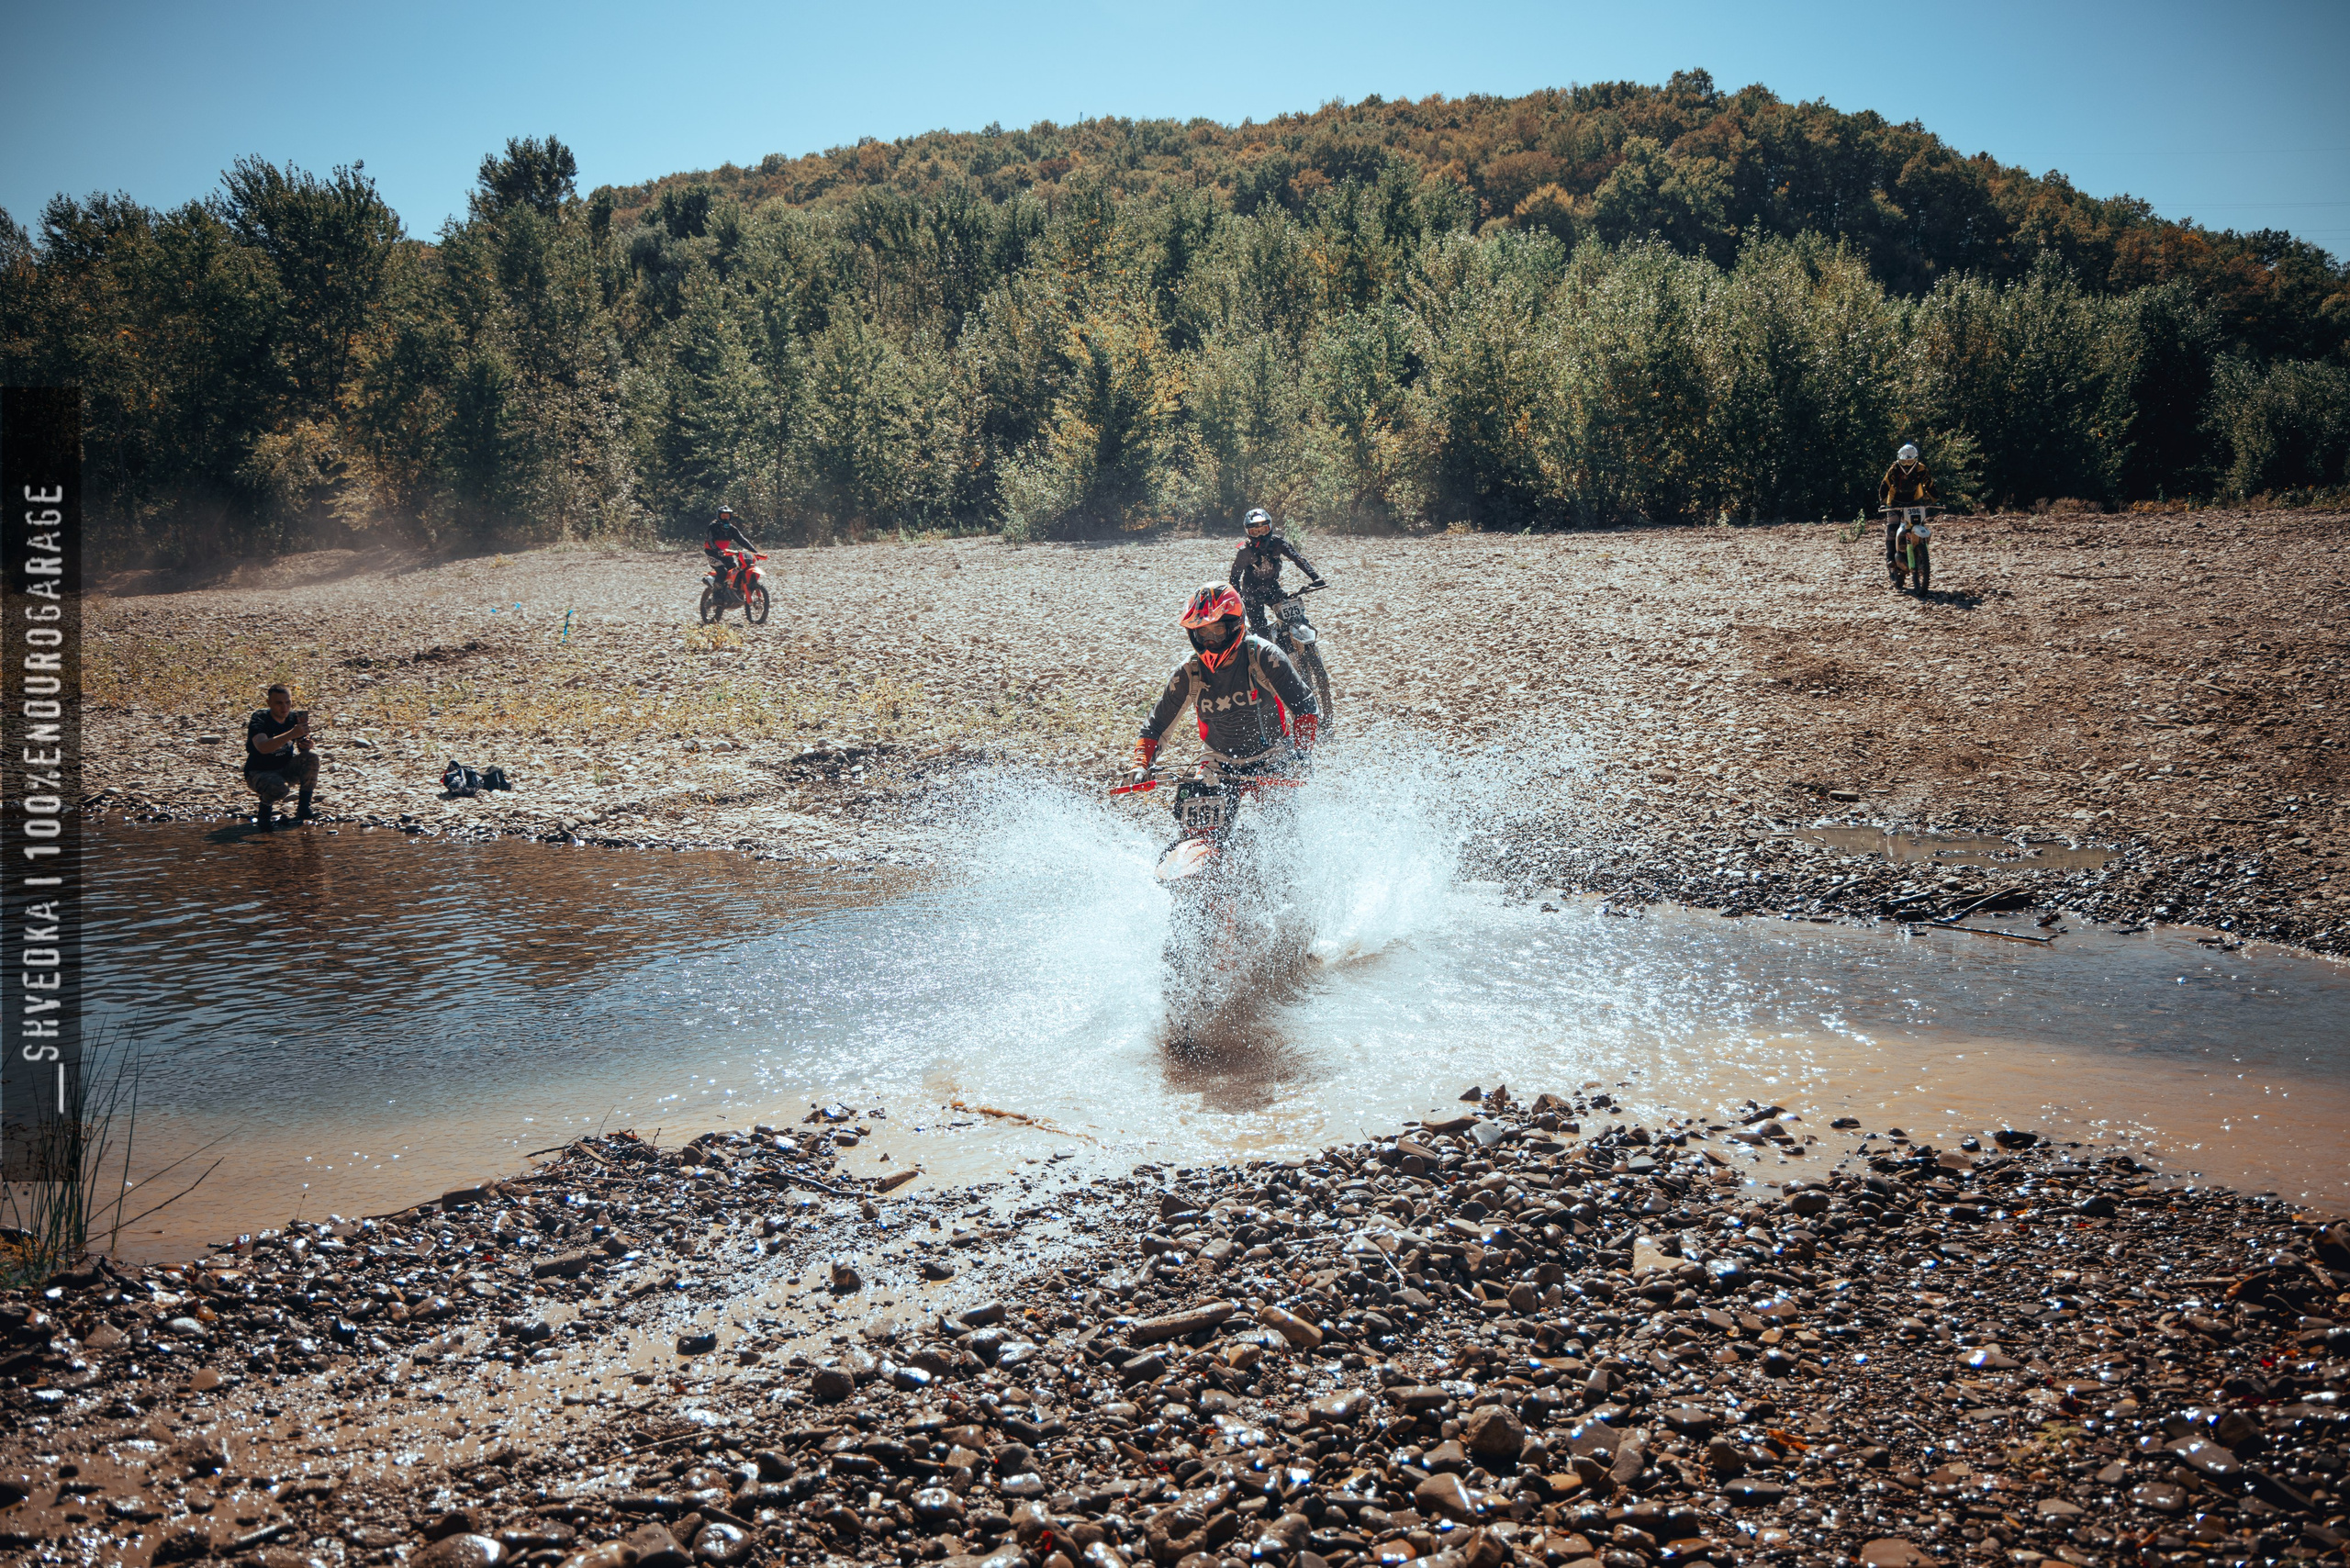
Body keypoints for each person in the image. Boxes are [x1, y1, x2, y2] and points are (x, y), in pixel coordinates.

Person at [1129, 584, 1318, 783]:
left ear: (1235, 625)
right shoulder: (1188, 671)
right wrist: (1140, 764)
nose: (1210, 641)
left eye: (1217, 630)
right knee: (1193, 808)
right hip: (1217, 760)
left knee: (1280, 812)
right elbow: (1157, 725)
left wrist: (1302, 754)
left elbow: (1304, 705)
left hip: (1273, 753)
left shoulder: (1266, 656)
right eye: (1203, 633)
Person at [1227, 508, 1325, 636]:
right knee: (1260, 632)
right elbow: (1234, 577)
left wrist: (1315, 577)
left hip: (1272, 587)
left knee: (1294, 619)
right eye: (1255, 532)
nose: (1261, 535)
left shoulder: (1278, 542)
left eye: (1263, 530)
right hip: (1252, 593)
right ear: (1248, 532)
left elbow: (1297, 558)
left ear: (1270, 528)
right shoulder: (1245, 552)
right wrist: (1239, 599)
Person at [245, 683, 319, 828]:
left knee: (311, 757)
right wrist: (292, 734)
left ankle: (304, 808)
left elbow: (301, 744)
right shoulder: (260, 719)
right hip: (259, 773)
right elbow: (263, 747)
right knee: (280, 789)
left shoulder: (294, 718)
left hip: (285, 769)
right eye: (279, 703)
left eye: (288, 702)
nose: (284, 707)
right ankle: (264, 812)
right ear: (269, 703)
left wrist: (306, 744)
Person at [1879, 443, 1938, 589]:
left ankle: (1920, 551)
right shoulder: (1894, 469)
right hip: (1894, 502)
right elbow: (1884, 485)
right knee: (1892, 529)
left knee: (1919, 525)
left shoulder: (1921, 469)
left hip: (1915, 501)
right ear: (1899, 459)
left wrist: (1936, 500)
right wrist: (1882, 502)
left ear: (1916, 460)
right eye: (1904, 461)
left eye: (1910, 461)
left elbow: (1929, 484)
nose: (1907, 464)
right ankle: (1890, 559)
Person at [704, 505, 758, 597]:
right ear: (719, 516)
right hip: (712, 553)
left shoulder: (732, 529)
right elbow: (710, 541)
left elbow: (742, 540)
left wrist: (754, 551)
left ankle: (733, 592)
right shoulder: (713, 526)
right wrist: (717, 550)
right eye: (723, 516)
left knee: (736, 571)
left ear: (730, 517)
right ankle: (717, 595)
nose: (725, 518)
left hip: (725, 553)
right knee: (722, 571)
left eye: (727, 516)